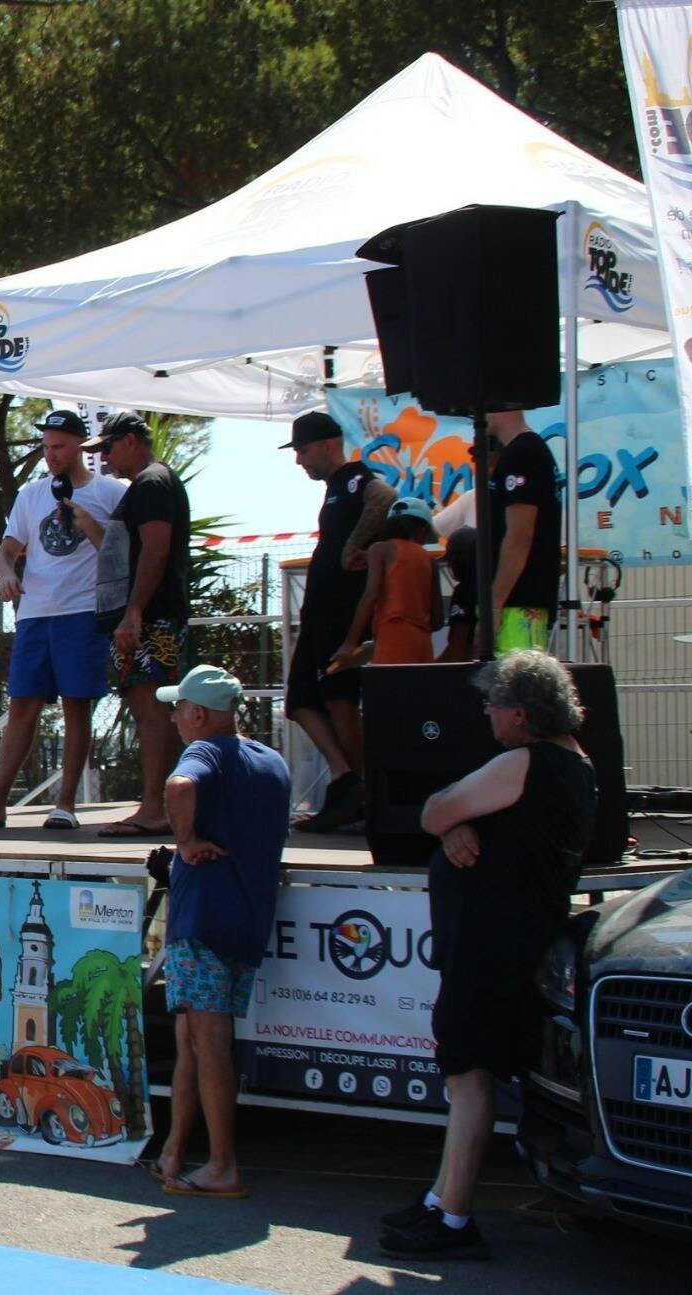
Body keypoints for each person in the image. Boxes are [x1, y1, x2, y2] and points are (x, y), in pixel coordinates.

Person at [379, 651, 595, 1260]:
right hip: (511, 939)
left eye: (494, 706)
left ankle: (453, 1216)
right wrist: (453, 829)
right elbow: (454, 819)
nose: (488, 716)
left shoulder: (527, 761)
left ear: (522, 715)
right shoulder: (576, 762)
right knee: (471, 1073)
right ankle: (439, 1198)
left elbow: (435, 807)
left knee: (468, 1075)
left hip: (491, 946)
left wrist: (449, 822)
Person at [151, 664, 290, 1200]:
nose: (176, 718)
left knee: (208, 1043)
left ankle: (223, 1165)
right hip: (246, 918)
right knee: (192, 1038)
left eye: (180, 709)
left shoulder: (204, 752)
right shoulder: (271, 759)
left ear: (200, 714)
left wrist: (184, 842)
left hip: (204, 918)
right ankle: (174, 1153)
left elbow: (180, 784)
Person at [0, 408, 124, 831]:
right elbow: (7, 551)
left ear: (80, 445)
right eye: (46, 447)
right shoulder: (31, 494)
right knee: (22, 704)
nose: (52, 455)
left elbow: (119, 556)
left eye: (60, 447)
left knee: (76, 705)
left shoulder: (110, 493)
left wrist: (89, 525)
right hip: (35, 614)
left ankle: (65, 804)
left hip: (82, 612)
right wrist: (7, 573)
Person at [279, 411, 395, 833]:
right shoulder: (333, 489)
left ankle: (362, 789)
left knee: (340, 698)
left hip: (341, 612)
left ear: (328, 444)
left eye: (304, 450)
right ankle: (347, 779)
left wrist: (355, 546)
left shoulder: (356, 478)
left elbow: (385, 498)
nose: (299, 461)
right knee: (300, 701)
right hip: (319, 610)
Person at [85, 410, 190, 837]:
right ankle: (161, 804)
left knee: (151, 708)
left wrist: (133, 613)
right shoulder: (150, 483)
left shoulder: (150, 482)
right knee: (147, 706)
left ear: (131, 440)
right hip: (151, 615)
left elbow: (156, 549)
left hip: (152, 617)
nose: (106, 460)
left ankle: (156, 807)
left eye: (108, 448)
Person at [483, 410, 562, 656]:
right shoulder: (523, 451)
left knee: (516, 690)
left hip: (517, 603)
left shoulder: (523, 453)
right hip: (516, 602)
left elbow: (520, 536)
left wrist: (494, 606)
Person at [332, 497, 442, 669]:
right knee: (420, 695)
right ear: (422, 531)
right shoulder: (430, 561)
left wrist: (350, 643)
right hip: (422, 644)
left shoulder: (380, 549)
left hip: (392, 637)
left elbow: (371, 595)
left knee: (389, 693)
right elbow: (437, 621)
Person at [437, 526, 480, 663]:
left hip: (472, 672)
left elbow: (457, 649)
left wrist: (428, 668)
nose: (451, 565)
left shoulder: (464, 591)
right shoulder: (494, 587)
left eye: (452, 560)